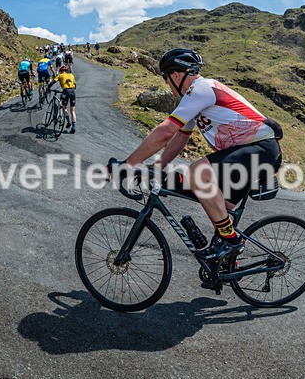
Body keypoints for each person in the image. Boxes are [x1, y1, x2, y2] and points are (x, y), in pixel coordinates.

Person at [107, 48, 282, 278]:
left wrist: (127, 165)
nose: (168, 84)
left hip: (261, 149)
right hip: (248, 153)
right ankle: (228, 265)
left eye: (166, 78)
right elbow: (181, 135)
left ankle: (232, 241)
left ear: (176, 76)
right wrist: (158, 166)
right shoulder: (196, 96)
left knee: (198, 173)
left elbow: (165, 132)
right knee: (221, 207)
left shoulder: (200, 89)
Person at [53, 65, 77, 133]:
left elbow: (53, 82)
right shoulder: (71, 75)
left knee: (64, 108)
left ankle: (68, 121)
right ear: (66, 71)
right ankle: (74, 127)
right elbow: (75, 85)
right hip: (73, 91)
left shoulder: (60, 75)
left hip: (66, 91)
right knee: (73, 110)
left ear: (60, 71)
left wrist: (48, 88)